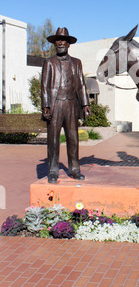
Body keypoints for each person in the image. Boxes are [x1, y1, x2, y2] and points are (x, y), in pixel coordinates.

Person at [41, 27, 91, 183]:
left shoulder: (76, 63)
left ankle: (75, 169)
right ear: (55, 43)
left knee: (73, 138)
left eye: (64, 40)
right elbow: (44, 86)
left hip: (71, 105)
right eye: (58, 40)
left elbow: (82, 84)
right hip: (55, 106)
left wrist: (85, 104)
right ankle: (52, 171)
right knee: (53, 140)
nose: (60, 42)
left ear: (69, 44)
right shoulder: (49, 62)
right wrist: (46, 106)